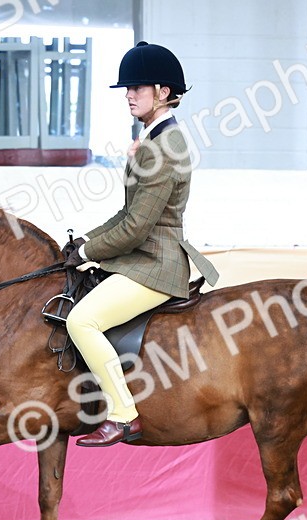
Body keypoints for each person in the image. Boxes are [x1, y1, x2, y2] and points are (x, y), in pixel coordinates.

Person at [63, 42, 220, 447]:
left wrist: (86, 254)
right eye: (127, 89)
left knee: (82, 320)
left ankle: (123, 414)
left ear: (164, 92)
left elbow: (134, 229)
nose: (129, 95)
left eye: (138, 87)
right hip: (142, 255)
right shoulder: (153, 138)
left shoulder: (163, 148)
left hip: (155, 263)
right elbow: (125, 213)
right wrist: (86, 241)